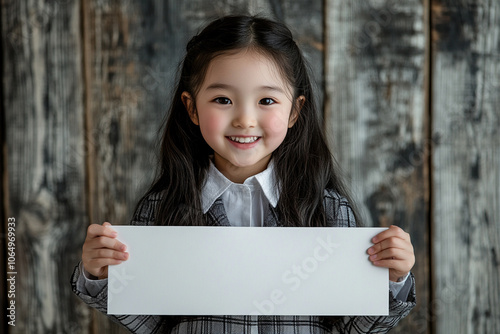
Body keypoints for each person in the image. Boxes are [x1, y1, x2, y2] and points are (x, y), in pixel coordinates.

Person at [71, 15, 416, 333]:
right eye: (223, 99)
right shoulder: (162, 209)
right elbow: (152, 325)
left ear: (295, 111)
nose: (245, 120)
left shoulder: (327, 211)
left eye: (266, 101)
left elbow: (352, 327)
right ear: (191, 107)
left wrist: (393, 278)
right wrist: (101, 276)